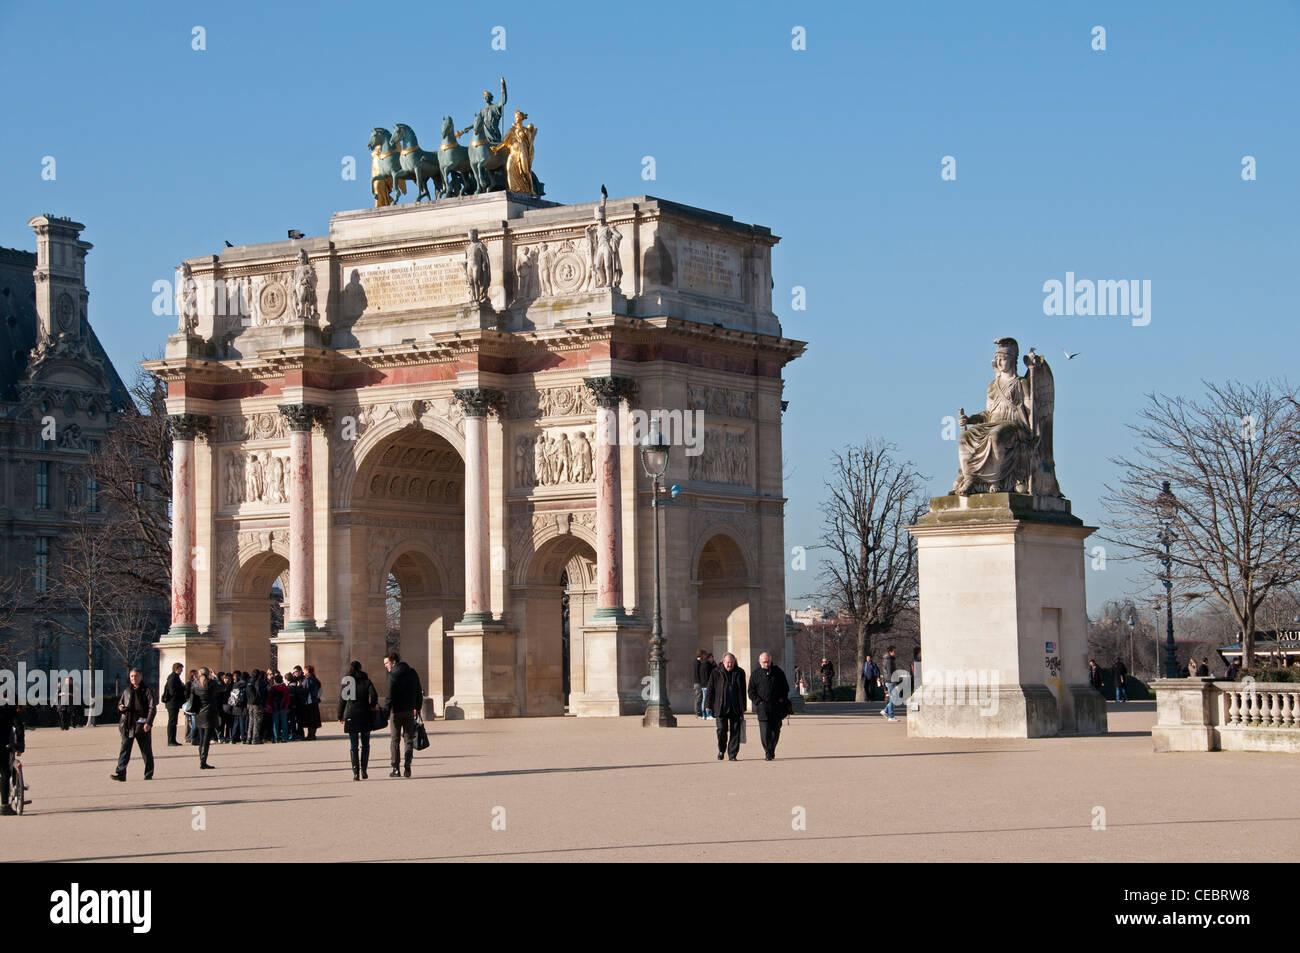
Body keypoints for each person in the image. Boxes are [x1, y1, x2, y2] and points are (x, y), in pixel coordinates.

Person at [110, 669, 156, 782]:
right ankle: (121, 773)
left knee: (146, 750)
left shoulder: (147, 691)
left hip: (141, 724)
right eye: (131, 676)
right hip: (128, 724)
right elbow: (120, 703)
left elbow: (152, 708)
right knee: (124, 749)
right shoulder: (127, 691)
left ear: (141, 676)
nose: (133, 678)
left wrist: (148, 722)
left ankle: (148, 773)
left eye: (136, 676)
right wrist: (121, 707)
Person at [384, 651, 423, 778]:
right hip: (409, 711)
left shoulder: (392, 675)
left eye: (387, 663)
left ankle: (396, 768)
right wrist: (417, 707)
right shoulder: (412, 672)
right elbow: (418, 691)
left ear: (393, 662)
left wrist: (385, 712)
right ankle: (407, 763)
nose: (386, 666)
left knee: (395, 740)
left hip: (396, 712)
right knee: (408, 739)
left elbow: (389, 696)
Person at [339, 660, 379, 781]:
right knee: (365, 744)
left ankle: (355, 772)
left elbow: (342, 699)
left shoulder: (347, 681)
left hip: (351, 713)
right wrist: (371, 705)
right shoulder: (366, 680)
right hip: (365, 713)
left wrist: (340, 715)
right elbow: (374, 695)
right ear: (360, 668)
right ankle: (364, 770)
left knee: (354, 745)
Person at [748, 652, 791, 761]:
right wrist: (758, 701)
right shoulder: (755, 674)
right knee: (765, 732)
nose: (766, 664)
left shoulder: (778, 672)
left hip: (777, 707)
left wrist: (782, 698)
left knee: (776, 731)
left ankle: (772, 748)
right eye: (764, 662)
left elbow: (785, 688)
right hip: (763, 708)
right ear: (760, 662)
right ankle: (768, 752)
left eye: (768, 662)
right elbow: (751, 691)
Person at [706, 653, 747, 761]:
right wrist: (708, 705)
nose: (730, 664)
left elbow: (743, 690)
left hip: (735, 706)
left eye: (732, 662)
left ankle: (732, 754)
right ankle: (721, 749)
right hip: (721, 706)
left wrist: (743, 707)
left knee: (735, 731)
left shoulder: (740, 672)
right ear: (723, 662)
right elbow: (710, 689)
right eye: (728, 662)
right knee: (721, 730)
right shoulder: (716, 672)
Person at [190, 668, 219, 769]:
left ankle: (201, 760)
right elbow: (223, 687)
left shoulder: (195, 684)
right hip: (209, 713)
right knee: (206, 740)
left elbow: (192, 696)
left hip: (199, 713)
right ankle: (203, 761)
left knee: (202, 739)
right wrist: (215, 676)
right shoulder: (211, 684)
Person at [0, 699, 23, 815]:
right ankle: (4, 806)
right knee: (5, 772)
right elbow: (18, 725)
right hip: (5, 743)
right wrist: (20, 745)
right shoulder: (9, 707)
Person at [161, 662, 186, 746]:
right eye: (181, 669)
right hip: (172, 703)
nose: (182, 671)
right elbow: (173, 691)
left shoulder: (174, 677)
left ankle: (172, 740)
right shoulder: (173, 678)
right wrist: (182, 688)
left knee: (173, 722)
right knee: (172, 722)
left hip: (173, 703)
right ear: (176, 669)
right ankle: (171, 740)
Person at [880, 646, 902, 721]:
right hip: (890, 681)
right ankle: (891, 716)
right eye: (894, 651)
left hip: (889, 681)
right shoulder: (889, 660)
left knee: (893, 698)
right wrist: (895, 684)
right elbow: (890, 673)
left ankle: (885, 711)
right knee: (894, 698)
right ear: (890, 652)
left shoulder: (888, 659)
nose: (895, 653)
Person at [301, 664, 323, 740]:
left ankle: (310, 735)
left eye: (304, 670)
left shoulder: (308, 679)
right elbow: (320, 690)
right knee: (314, 719)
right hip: (314, 701)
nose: (303, 671)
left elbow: (304, 690)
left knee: (310, 719)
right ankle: (312, 734)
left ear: (307, 670)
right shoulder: (315, 679)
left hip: (309, 702)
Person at [246, 669, 267, 744]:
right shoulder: (259, 682)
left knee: (251, 721)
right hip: (257, 704)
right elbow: (262, 694)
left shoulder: (249, 682)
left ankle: (249, 738)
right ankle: (255, 738)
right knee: (257, 722)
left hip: (249, 704)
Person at [268, 674, 290, 743]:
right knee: (284, 723)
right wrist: (286, 706)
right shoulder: (285, 687)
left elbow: (269, 699)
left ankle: (276, 738)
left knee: (275, 724)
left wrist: (270, 706)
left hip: (275, 708)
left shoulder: (273, 688)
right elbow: (287, 698)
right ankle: (285, 738)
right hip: (283, 707)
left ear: (275, 680)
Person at [229, 671, 248, 744]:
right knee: (242, 723)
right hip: (242, 706)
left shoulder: (235, 685)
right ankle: (243, 738)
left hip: (235, 706)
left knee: (235, 723)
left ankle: (233, 738)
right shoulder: (245, 684)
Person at [184, 668, 199, 745]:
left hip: (195, 705)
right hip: (191, 705)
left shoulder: (196, 683)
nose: (198, 676)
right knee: (192, 723)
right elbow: (186, 695)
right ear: (192, 675)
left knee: (193, 723)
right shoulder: (189, 684)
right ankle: (191, 738)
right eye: (196, 674)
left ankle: (191, 737)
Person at [700, 652, 716, 718]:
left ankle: (704, 714)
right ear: (709, 658)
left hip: (703, 684)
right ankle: (708, 714)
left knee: (704, 699)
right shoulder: (708, 665)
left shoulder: (702, 664)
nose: (713, 659)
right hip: (707, 684)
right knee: (708, 700)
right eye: (712, 657)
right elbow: (709, 676)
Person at [693, 650, 707, 719]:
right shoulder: (698, 663)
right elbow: (698, 673)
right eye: (704, 655)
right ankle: (698, 713)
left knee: (698, 698)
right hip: (698, 683)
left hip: (696, 682)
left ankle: (698, 712)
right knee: (698, 698)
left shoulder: (696, 662)